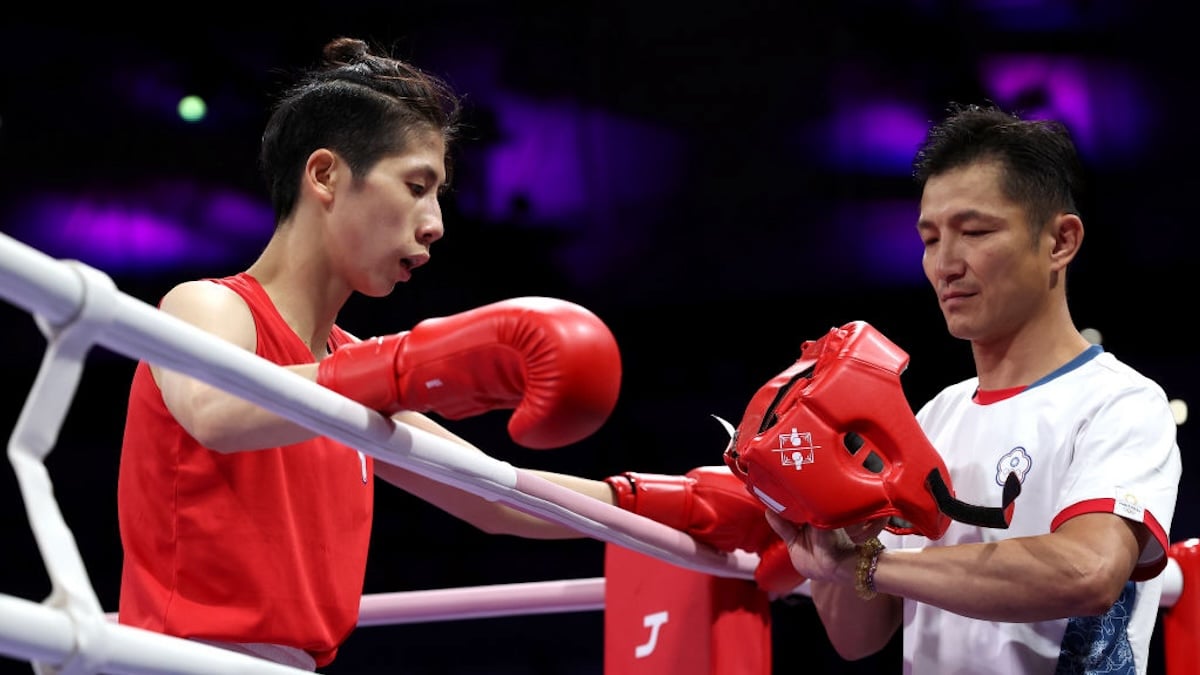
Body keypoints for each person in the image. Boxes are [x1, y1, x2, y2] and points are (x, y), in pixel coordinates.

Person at [116, 36, 775, 672]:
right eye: (415, 185)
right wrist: (403, 369)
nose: (434, 222)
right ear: (325, 174)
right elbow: (218, 412)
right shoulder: (208, 306)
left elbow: (495, 496)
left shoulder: (352, 370)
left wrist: (670, 504)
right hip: (180, 658)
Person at [755, 102, 1182, 674]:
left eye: (974, 232)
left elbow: (1086, 571)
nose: (945, 264)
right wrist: (832, 525)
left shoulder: (1121, 403)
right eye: (930, 239)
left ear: (1060, 241)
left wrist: (871, 566)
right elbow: (856, 638)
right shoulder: (931, 418)